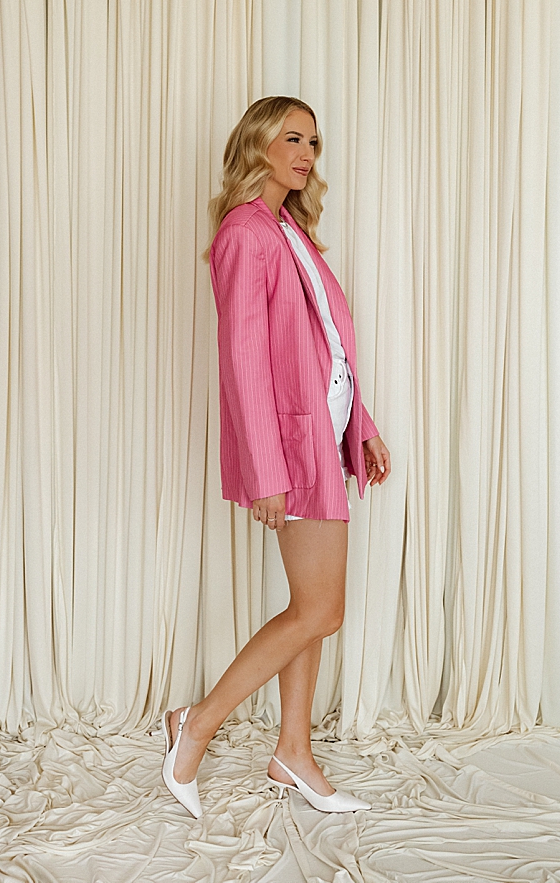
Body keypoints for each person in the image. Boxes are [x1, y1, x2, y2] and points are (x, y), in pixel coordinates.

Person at [161, 96, 391, 819]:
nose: (307, 154)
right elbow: (244, 362)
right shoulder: (245, 232)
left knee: (311, 609)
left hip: (322, 435)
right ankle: (197, 724)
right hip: (290, 448)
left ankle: (293, 751)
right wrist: (266, 470)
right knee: (321, 609)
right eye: (293, 138)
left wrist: (362, 425)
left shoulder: (289, 228)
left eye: (313, 142)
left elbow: (325, 346)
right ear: (259, 143)